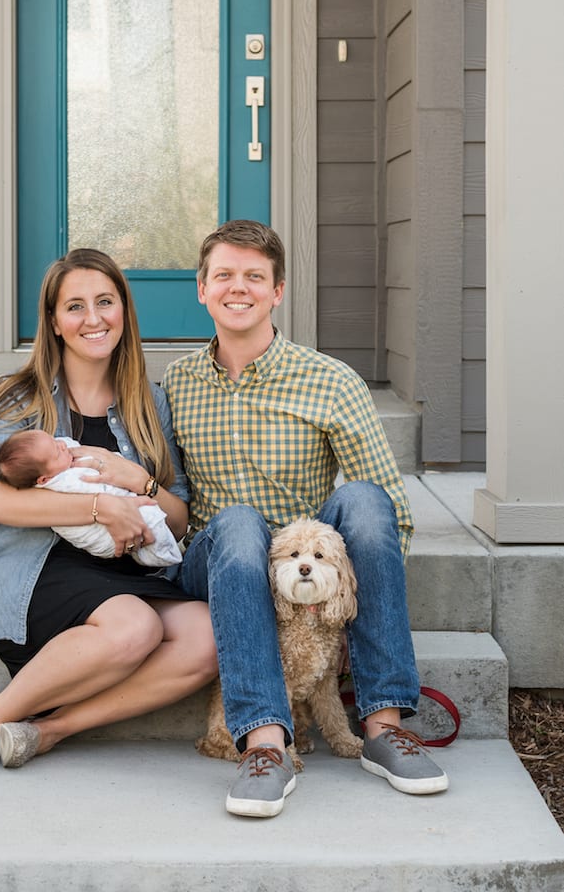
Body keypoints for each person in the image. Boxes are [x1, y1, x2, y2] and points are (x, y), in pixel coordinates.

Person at [162, 219, 449, 818]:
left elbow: (393, 516)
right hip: (219, 559)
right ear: (202, 288)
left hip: (304, 560)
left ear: (278, 291)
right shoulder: (177, 384)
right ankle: (265, 742)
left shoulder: (331, 380)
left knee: (369, 503)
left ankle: (383, 725)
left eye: (254, 277)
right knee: (239, 522)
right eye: (224, 275)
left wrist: (337, 601)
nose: (237, 288)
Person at [0, 248, 217, 778]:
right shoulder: (19, 397)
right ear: (55, 323)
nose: (93, 319)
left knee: (206, 637)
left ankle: (48, 730)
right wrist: (98, 505)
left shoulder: (150, 403)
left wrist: (141, 482)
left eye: (105, 302)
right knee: (136, 627)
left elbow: (179, 519)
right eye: (75, 307)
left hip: (128, 570)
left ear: (124, 312)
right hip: (37, 570)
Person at [0, 428, 182, 566]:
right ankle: (164, 556)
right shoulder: (65, 481)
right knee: (148, 520)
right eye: (57, 452)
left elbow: (181, 521)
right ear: (44, 479)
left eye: (55, 441)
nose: (62, 445)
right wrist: (111, 502)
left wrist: (141, 481)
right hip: (100, 542)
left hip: (113, 561)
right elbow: (100, 489)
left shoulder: (55, 456)